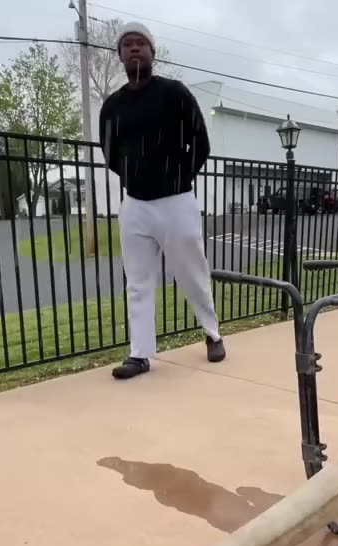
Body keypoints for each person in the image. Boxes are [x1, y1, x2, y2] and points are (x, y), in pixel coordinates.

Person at [99, 21, 225, 380]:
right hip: (135, 205)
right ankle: (139, 355)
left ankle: (213, 333)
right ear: (120, 55)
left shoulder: (174, 94)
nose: (134, 49)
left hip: (177, 201)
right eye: (127, 45)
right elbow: (109, 151)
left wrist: (177, 175)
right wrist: (132, 176)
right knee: (137, 282)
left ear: (152, 52)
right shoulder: (113, 106)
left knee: (192, 272)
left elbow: (200, 142)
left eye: (141, 44)